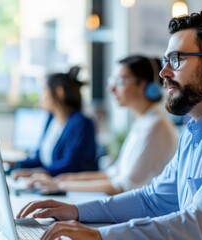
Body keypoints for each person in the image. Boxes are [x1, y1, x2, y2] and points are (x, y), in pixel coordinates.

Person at [17, 9, 202, 239]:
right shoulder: (194, 131)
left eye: (175, 60)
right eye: (164, 61)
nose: (163, 73)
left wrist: (99, 235)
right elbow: (153, 199)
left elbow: (198, 223)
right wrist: (77, 212)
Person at [26, 55, 178, 195]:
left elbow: (122, 186)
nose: (110, 89)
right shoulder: (144, 122)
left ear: (144, 85)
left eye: (120, 81)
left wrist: (59, 185)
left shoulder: (155, 125)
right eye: (112, 81)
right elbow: (113, 174)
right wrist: (62, 180)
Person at [8, 66, 98, 178]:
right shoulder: (51, 119)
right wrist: (15, 165)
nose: (41, 96)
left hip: (71, 188)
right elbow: (39, 158)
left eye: (44, 91)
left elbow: (70, 165)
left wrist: (36, 173)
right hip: (49, 183)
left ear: (59, 92)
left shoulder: (81, 123)